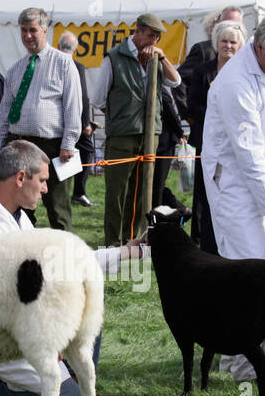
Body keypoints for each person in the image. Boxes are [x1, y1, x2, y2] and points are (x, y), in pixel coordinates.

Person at [0, 140, 99, 396]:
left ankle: (69, 379)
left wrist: (126, 253)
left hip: (20, 324)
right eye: (42, 180)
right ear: (20, 178)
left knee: (87, 309)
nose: (45, 189)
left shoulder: (18, 217)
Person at [199, 14, 265, 379]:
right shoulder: (235, 83)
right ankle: (246, 368)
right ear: (260, 47)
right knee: (247, 272)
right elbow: (249, 156)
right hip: (234, 186)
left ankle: (242, 354)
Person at [91, 13, 182, 245]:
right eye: (150, 36)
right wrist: (122, 114)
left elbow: (176, 81)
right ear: (138, 31)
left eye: (158, 38)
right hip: (122, 135)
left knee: (143, 191)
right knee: (117, 193)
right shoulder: (113, 58)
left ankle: (135, 238)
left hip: (152, 134)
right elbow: (99, 99)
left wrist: (162, 58)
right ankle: (113, 242)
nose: (153, 42)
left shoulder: (156, 58)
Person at [0, 8, 82, 231]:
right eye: (23, 30)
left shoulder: (63, 63)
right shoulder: (15, 70)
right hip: (19, 145)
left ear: (45, 29)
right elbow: (4, 114)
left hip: (52, 147)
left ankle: (65, 258)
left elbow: (73, 105)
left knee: (57, 209)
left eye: (32, 30)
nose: (27, 35)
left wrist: (68, 142)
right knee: (19, 207)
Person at [185, 19, 246, 254]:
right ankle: (203, 240)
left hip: (235, 145)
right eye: (224, 41)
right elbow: (192, 105)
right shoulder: (203, 71)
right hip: (207, 142)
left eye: (232, 42)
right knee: (204, 192)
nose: (228, 46)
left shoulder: (244, 74)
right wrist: (217, 114)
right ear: (216, 43)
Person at [56, 31, 96, 208]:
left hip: (55, 121)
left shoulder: (51, 64)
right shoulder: (76, 66)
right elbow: (82, 97)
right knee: (86, 150)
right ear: (77, 49)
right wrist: (86, 123)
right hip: (73, 120)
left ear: (58, 47)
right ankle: (79, 192)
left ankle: (62, 193)